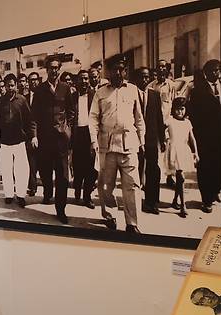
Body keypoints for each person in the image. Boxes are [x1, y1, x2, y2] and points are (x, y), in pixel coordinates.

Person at [89, 54, 145, 233]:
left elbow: (139, 119)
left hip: (129, 145)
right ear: (109, 71)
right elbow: (93, 119)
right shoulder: (100, 92)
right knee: (106, 185)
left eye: (122, 69)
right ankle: (110, 215)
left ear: (125, 70)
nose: (119, 73)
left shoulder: (133, 90)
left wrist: (142, 141)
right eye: (115, 69)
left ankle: (132, 223)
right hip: (107, 146)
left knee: (132, 185)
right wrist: (93, 141)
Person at [31, 57, 76, 224]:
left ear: (60, 69)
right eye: (51, 68)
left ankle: (61, 209)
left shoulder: (65, 88)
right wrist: (34, 135)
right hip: (44, 140)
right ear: (46, 70)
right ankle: (47, 191)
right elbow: (34, 116)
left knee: (63, 176)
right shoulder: (40, 91)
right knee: (45, 172)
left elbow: (71, 111)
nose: (54, 71)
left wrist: (68, 129)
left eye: (57, 68)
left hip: (61, 140)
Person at [0, 73, 35, 208]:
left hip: (19, 141)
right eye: (8, 85)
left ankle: (21, 195)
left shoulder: (22, 100)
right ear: (4, 86)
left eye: (12, 85)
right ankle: (9, 194)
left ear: (16, 85)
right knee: (6, 169)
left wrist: (31, 136)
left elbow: (29, 120)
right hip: (5, 141)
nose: (10, 87)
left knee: (22, 169)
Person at [188, 59, 221, 213]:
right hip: (205, 137)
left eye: (217, 70)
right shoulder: (198, 91)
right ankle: (206, 200)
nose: (215, 73)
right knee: (205, 168)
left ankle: (215, 190)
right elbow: (194, 115)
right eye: (211, 71)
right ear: (205, 73)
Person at [135, 67, 167, 215]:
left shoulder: (155, 95)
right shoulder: (131, 94)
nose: (145, 80)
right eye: (142, 77)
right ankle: (135, 202)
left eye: (147, 77)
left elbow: (159, 118)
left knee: (153, 170)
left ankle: (152, 202)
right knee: (136, 170)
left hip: (152, 139)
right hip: (135, 139)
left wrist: (163, 138)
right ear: (136, 79)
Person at [166, 97, 199, 218]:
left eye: (182, 109)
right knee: (181, 177)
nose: (180, 112)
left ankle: (175, 200)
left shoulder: (187, 122)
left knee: (180, 178)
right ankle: (183, 205)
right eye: (177, 109)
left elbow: (192, 138)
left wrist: (196, 152)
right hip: (174, 150)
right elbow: (162, 128)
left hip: (184, 150)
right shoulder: (170, 120)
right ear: (173, 110)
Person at [147, 59, 177, 187]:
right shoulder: (151, 86)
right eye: (159, 66)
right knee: (156, 150)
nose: (161, 69)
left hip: (167, 122)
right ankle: (155, 177)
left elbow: (174, 103)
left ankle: (170, 176)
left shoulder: (171, 85)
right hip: (155, 123)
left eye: (164, 67)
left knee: (169, 149)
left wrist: (171, 121)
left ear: (167, 69)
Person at [71, 69, 97, 209]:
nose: (85, 81)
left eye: (86, 79)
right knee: (77, 166)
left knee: (91, 168)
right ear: (77, 81)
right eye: (81, 79)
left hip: (90, 134)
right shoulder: (72, 97)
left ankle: (87, 197)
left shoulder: (95, 95)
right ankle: (77, 189)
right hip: (77, 135)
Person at [25, 72, 41, 196]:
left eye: (35, 80)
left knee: (44, 161)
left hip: (44, 133)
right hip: (28, 134)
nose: (33, 82)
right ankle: (33, 186)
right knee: (31, 161)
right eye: (30, 80)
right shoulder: (24, 97)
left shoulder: (44, 95)